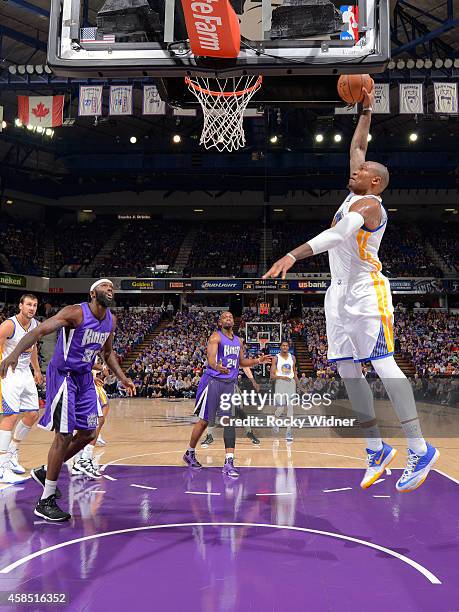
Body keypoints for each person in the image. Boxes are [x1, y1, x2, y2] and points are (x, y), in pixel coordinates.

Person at [264, 88, 439, 493]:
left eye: (361, 173)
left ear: (374, 182)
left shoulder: (369, 206)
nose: (354, 170)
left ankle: (419, 447)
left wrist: (293, 255)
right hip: (337, 294)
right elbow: (358, 144)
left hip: (366, 292)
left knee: (383, 364)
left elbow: (337, 234)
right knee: (346, 368)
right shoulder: (355, 190)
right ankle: (376, 449)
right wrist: (367, 108)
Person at [0, 279, 136, 522]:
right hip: (63, 376)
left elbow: (107, 353)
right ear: (93, 293)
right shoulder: (75, 312)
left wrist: (123, 378)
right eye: (105, 287)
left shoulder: (111, 321)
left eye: (112, 288)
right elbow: (39, 331)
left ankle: (45, 470)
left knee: (88, 433)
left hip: (84, 377)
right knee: (63, 434)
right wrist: (13, 354)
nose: (110, 290)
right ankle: (46, 500)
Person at [183, 311, 271, 477]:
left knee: (228, 421)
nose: (229, 318)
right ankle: (190, 452)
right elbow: (210, 358)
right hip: (213, 382)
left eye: (231, 316)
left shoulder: (238, 341)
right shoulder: (215, 337)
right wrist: (217, 367)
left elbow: (242, 362)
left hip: (229, 384)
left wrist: (257, 361)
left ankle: (229, 462)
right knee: (204, 421)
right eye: (225, 317)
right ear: (220, 322)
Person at [0, 294, 43, 484]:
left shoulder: (35, 325)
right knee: (10, 416)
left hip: (25, 373)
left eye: (34, 305)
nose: (32, 308)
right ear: (20, 305)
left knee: (32, 414)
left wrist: (37, 369)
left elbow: (33, 348)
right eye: (28, 304)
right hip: (9, 372)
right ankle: (1, 467)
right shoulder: (9, 325)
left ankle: (11, 454)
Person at [271, 341, 299, 442]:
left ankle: (288, 432)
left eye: (286, 345)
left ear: (288, 347)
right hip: (280, 383)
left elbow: (294, 373)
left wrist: (299, 385)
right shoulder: (276, 358)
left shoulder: (293, 358)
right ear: (280, 347)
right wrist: (282, 376)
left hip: (291, 383)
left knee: (290, 408)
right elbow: (272, 375)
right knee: (281, 409)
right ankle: (275, 421)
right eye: (283, 345)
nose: (285, 347)